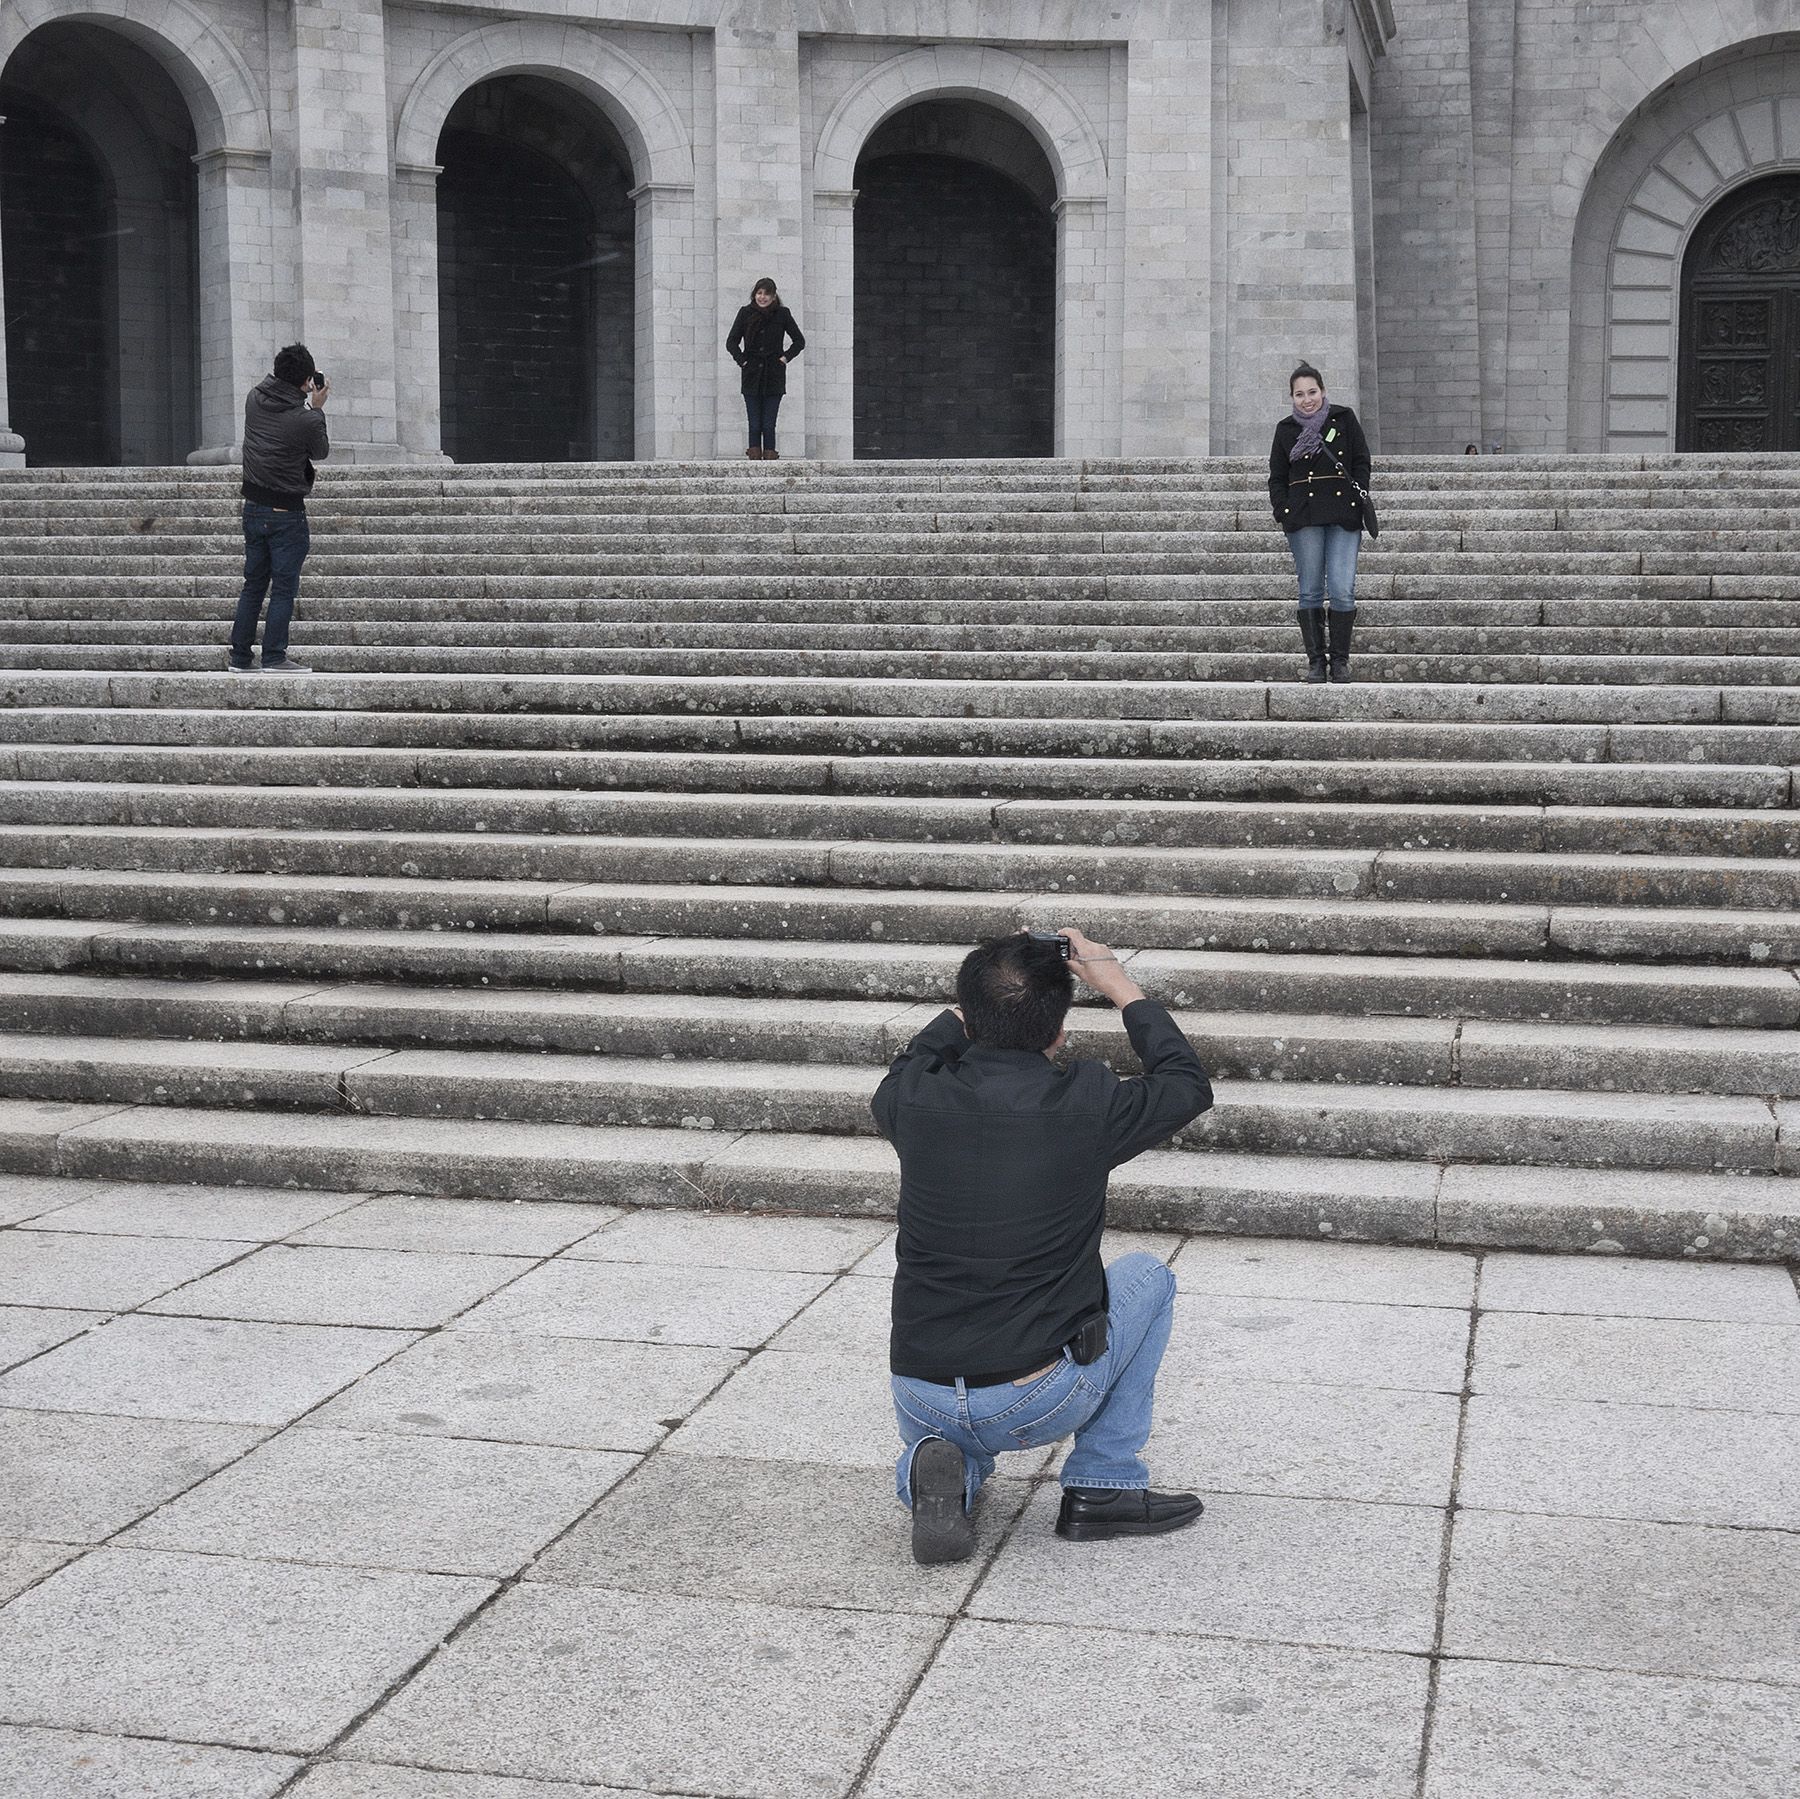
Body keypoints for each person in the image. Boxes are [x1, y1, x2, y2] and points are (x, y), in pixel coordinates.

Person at [872, 927, 1214, 1566]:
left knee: (949, 1430)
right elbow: (1186, 1084)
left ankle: (942, 1471)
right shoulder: (1087, 1101)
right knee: (1148, 1277)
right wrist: (1117, 985)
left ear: (966, 1018)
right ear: (1059, 1031)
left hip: (922, 1385)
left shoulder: (909, 1097)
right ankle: (1102, 1487)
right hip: (1037, 1393)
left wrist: (979, 999)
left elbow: (920, 1052)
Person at [1268, 361, 1372, 685]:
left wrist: (1359, 498)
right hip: (1305, 519)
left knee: (1342, 589)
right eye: (1299, 394)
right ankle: (1316, 662)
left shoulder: (1344, 418)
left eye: (1312, 391)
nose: (1307, 399)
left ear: (1323, 391)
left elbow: (1360, 460)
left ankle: (1340, 662)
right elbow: (1277, 478)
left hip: (1343, 515)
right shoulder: (1286, 430)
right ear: (1292, 397)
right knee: (1310, 590)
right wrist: (1283, 511)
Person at [229, 343, 329, 673]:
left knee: (253, 585)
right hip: (287, 512)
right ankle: (274, 656)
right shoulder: (306, 420)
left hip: (253, 507)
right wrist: (317, 407)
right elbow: (320, 452)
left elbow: (277, 391)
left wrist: (302, 396)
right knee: (284, 588)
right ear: (306, 381)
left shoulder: (253, 399)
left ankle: (240, 658)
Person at [727, 278, 805, 460]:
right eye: (759, 293)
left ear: (773, 295)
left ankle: (770, 457)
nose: (762, 297)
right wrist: (742, 361)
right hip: (752, 374)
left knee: (769, 424)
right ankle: (754, 457)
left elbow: (799, 341)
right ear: (754, 294)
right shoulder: (745, 313)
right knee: (754, 424)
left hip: (774, 374)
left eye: (766, 294)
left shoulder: (782, 314)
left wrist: (785, 358)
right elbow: (731, 342)